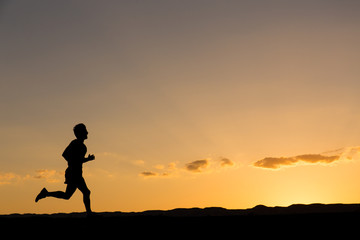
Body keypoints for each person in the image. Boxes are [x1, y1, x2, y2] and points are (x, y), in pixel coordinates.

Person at [35, 123, 95, 215]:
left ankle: (46, 193)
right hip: (73, 173)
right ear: (80, 133)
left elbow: (79, 160)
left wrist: (87, 159)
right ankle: (89, 213)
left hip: (77, 173)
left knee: (68, 195)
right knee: (86, 192)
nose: (87, 132)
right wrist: (73, 162)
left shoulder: (83, 147)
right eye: (85, 131)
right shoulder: (74, 143)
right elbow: (65, 154)